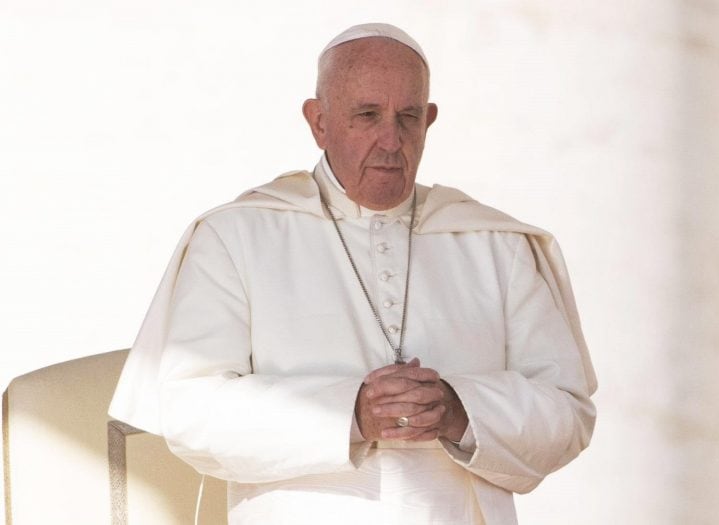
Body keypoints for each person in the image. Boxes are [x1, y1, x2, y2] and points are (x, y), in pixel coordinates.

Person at [110, 23, 597, 525]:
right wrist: (352, 413)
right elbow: (190, 410)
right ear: (318, 121)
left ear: (429, 120)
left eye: (408, 117)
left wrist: (461, 409)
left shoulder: (494, 243)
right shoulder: (235, 237)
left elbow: (567, 412)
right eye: (367, 115)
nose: (391, 140)